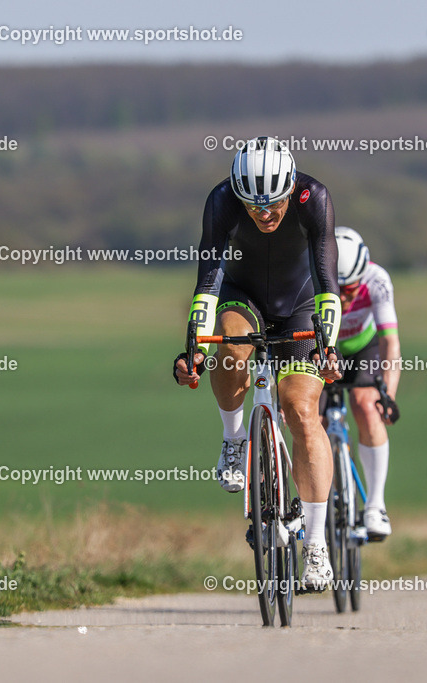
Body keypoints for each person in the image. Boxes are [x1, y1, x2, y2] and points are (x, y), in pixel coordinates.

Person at [173, 136, 343, 591]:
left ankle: (316, 546)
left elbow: (329, 281)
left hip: (303, 305)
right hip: (242, 295)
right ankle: (233, 439)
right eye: (253, 206)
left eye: (273, 205)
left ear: (291, 188)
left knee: (302, 414)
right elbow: (208, 283)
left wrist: (327, 345)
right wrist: (195, 350)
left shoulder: (315, 198)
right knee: (231, 348)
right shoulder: (222, 200)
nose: (264, 215)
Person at [328, 226, 400, 540]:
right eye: (337, 288)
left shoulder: (376, 280)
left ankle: (375, 505)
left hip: (363, 349)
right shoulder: (311, 277)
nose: (344, 297)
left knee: (365, 405)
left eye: (350, 288)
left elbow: (390, 344)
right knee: (307, 417)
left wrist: (388, 395)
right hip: (323, 351)